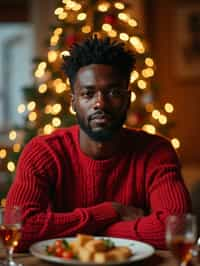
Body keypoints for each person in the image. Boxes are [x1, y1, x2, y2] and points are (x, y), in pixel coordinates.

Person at [6, 35, 191, 252]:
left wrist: (92, 234)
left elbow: (177, 229)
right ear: (73, 101)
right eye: (88, 93)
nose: (100, 103)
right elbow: (19, 228)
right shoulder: (43, 152)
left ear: (128, 99)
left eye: (113, 92)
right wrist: (109, 211)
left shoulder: (157, 152)